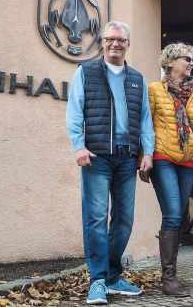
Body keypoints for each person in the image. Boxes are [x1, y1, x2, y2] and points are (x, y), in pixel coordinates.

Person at [66, 21, 154, 304]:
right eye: (110, 39)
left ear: (128, 44)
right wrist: (78, 146)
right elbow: (75, 111)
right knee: (95, 219)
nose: (115, 44)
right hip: (97, 156)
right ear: (102, 42)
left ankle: (113, 276)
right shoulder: (86, 71)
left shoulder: (137, 78)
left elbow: (144, 120)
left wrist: (147, 152)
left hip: (127, 157)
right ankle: (98, 280)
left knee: (124, 220)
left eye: (121, 40)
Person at [145, 42, 193, 297]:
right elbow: (145, 125)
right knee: (172, 213)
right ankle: (168, 278)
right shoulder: (154, 90)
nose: (191, 63)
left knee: (178, 214)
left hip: (189, 162)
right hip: (163, 158)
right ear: (170, 62)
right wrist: (145, 156)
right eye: (186, 59)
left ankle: (171, 273)